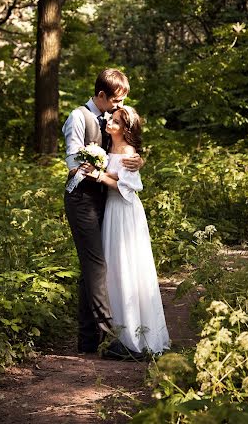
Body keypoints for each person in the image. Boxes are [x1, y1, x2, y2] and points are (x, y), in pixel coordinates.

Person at [62, 69, 143, 358]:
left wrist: (137, 158)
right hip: (82, 199)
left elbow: (123, 146)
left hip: (106, 199)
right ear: (101, 96)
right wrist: (90, 168)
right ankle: (113, 341)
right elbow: (72, 162)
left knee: (90, 270)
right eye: (117, 101)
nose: (120, 106)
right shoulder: (78, 117)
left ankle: (87, 342)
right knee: (97, 268)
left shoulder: (111, 120)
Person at [82, 106, 170, 355]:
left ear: (127, 130)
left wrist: (98, 175)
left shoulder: (128, 152)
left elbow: (127, 187)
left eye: (118, 122)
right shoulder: (107, 147)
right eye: (112, 119)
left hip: (125, 212)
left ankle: (134, 337)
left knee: (126, 265)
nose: (111, 122)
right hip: (111, 211)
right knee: (112, 268)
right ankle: (117, 333)